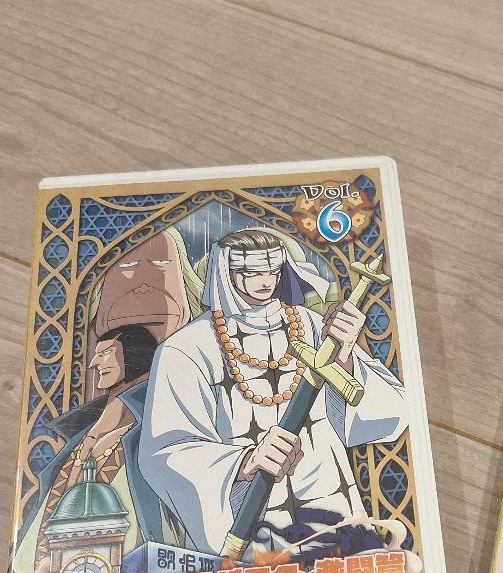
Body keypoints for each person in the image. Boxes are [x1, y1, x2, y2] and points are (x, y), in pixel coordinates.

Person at [139, 227, 408, 556]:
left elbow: (392, 413)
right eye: (251, 272)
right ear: (225, 272)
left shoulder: (312, 325)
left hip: (332, 513)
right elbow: (164, 453)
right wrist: (244, 462)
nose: (265, 281)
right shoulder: (187, 347)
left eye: (272, 270)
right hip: (249, 534)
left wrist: (345, 357)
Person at [10, 325, 170, 573]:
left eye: (106, 353)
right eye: (96, 354)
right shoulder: (82, 436)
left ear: (134, 355)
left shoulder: (154, 434)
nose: (95, 363)